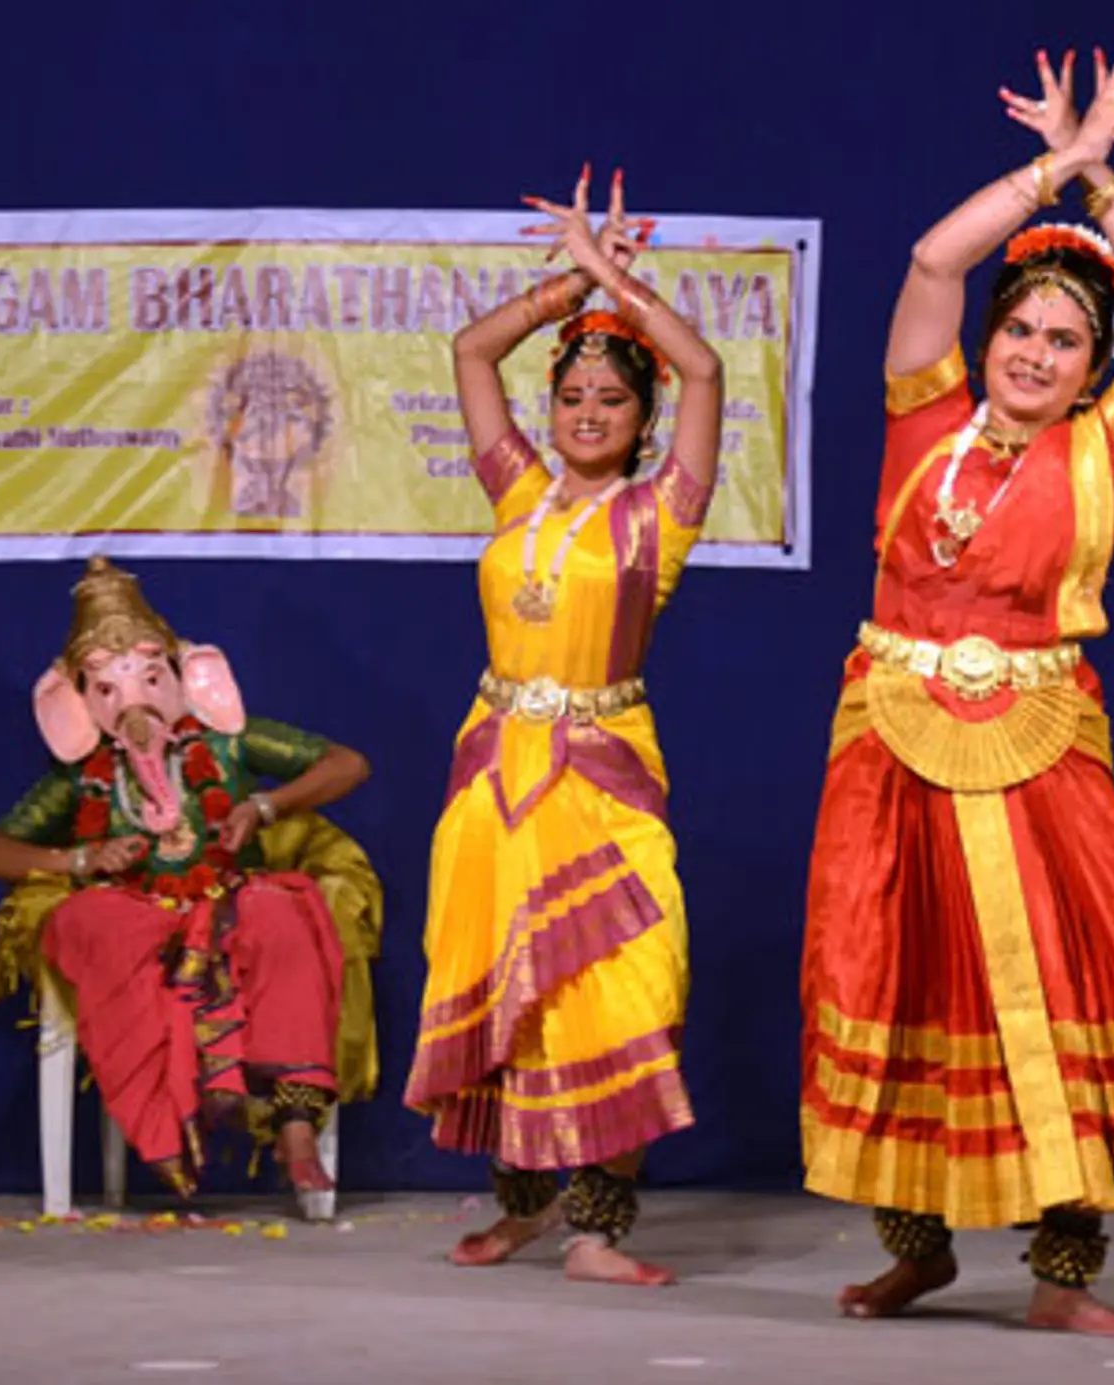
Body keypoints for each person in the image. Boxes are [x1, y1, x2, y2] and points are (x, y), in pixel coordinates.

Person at [801, 43, 1114, 1339]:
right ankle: (916, 1247)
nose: (1032, 351)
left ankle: (1062, 1279)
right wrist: (1049, 172)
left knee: (1065, 986)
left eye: (1065, 338)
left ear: (1095, 363)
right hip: (894, 741)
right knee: (891, 972)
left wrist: (1107, 185)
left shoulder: (1109, 456)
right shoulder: (928, 418)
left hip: (1042, 747)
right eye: (1021, 328)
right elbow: (930, 263)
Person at [403, 167, 724, 1286]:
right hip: (493, 769)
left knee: (619, 984)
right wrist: (562, 299)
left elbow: (702, 367)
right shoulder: (515, 493)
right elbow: (467, 354)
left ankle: (599, 1226)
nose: (586, 413)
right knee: (509, 988)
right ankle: (526, 1204)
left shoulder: (659, 517)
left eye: (611, 400)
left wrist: (610, 285)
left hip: (599, 772)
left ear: (641, 424)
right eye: (572, 396)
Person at [0, 557, 372, 1197]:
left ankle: (295, 1122)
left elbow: (348, 764)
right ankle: (166, 1127)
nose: (134, 704)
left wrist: (261, 807)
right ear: (76, 705)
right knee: (89, 922)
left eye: (150, 678)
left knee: (284, 912)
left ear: (190, 678)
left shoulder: (228, 745)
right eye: (106, 690)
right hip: (138, 910)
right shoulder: (83, 776)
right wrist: (79, 861)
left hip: (231, 899)